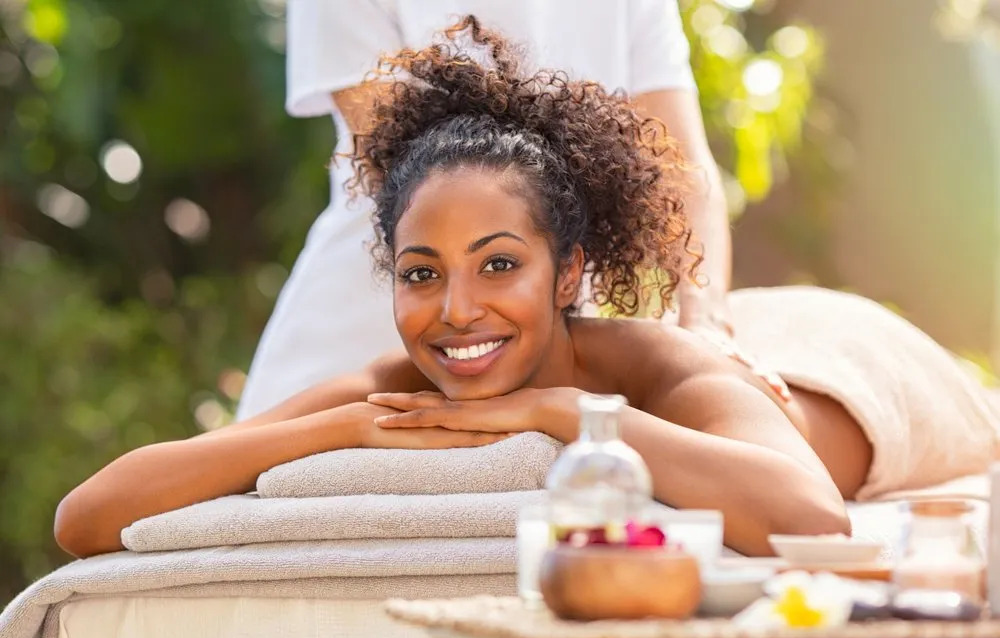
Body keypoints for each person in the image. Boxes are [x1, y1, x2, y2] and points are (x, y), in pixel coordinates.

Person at [53, 19, 879, 560]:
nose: (455, 308)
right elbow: (86, 518)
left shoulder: (649, 368)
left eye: (498, 265)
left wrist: (571, 413)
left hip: (773, 350)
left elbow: (812, 520)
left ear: (571, 271)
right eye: (421, 275)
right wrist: (338, 428)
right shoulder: (391, 386)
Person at [235, 0, 732, 419]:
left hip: (536, 341)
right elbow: (409, 161)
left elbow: (683, 171)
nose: (460, 309)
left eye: (497, 261)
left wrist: (704, 326)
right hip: (355, 336)